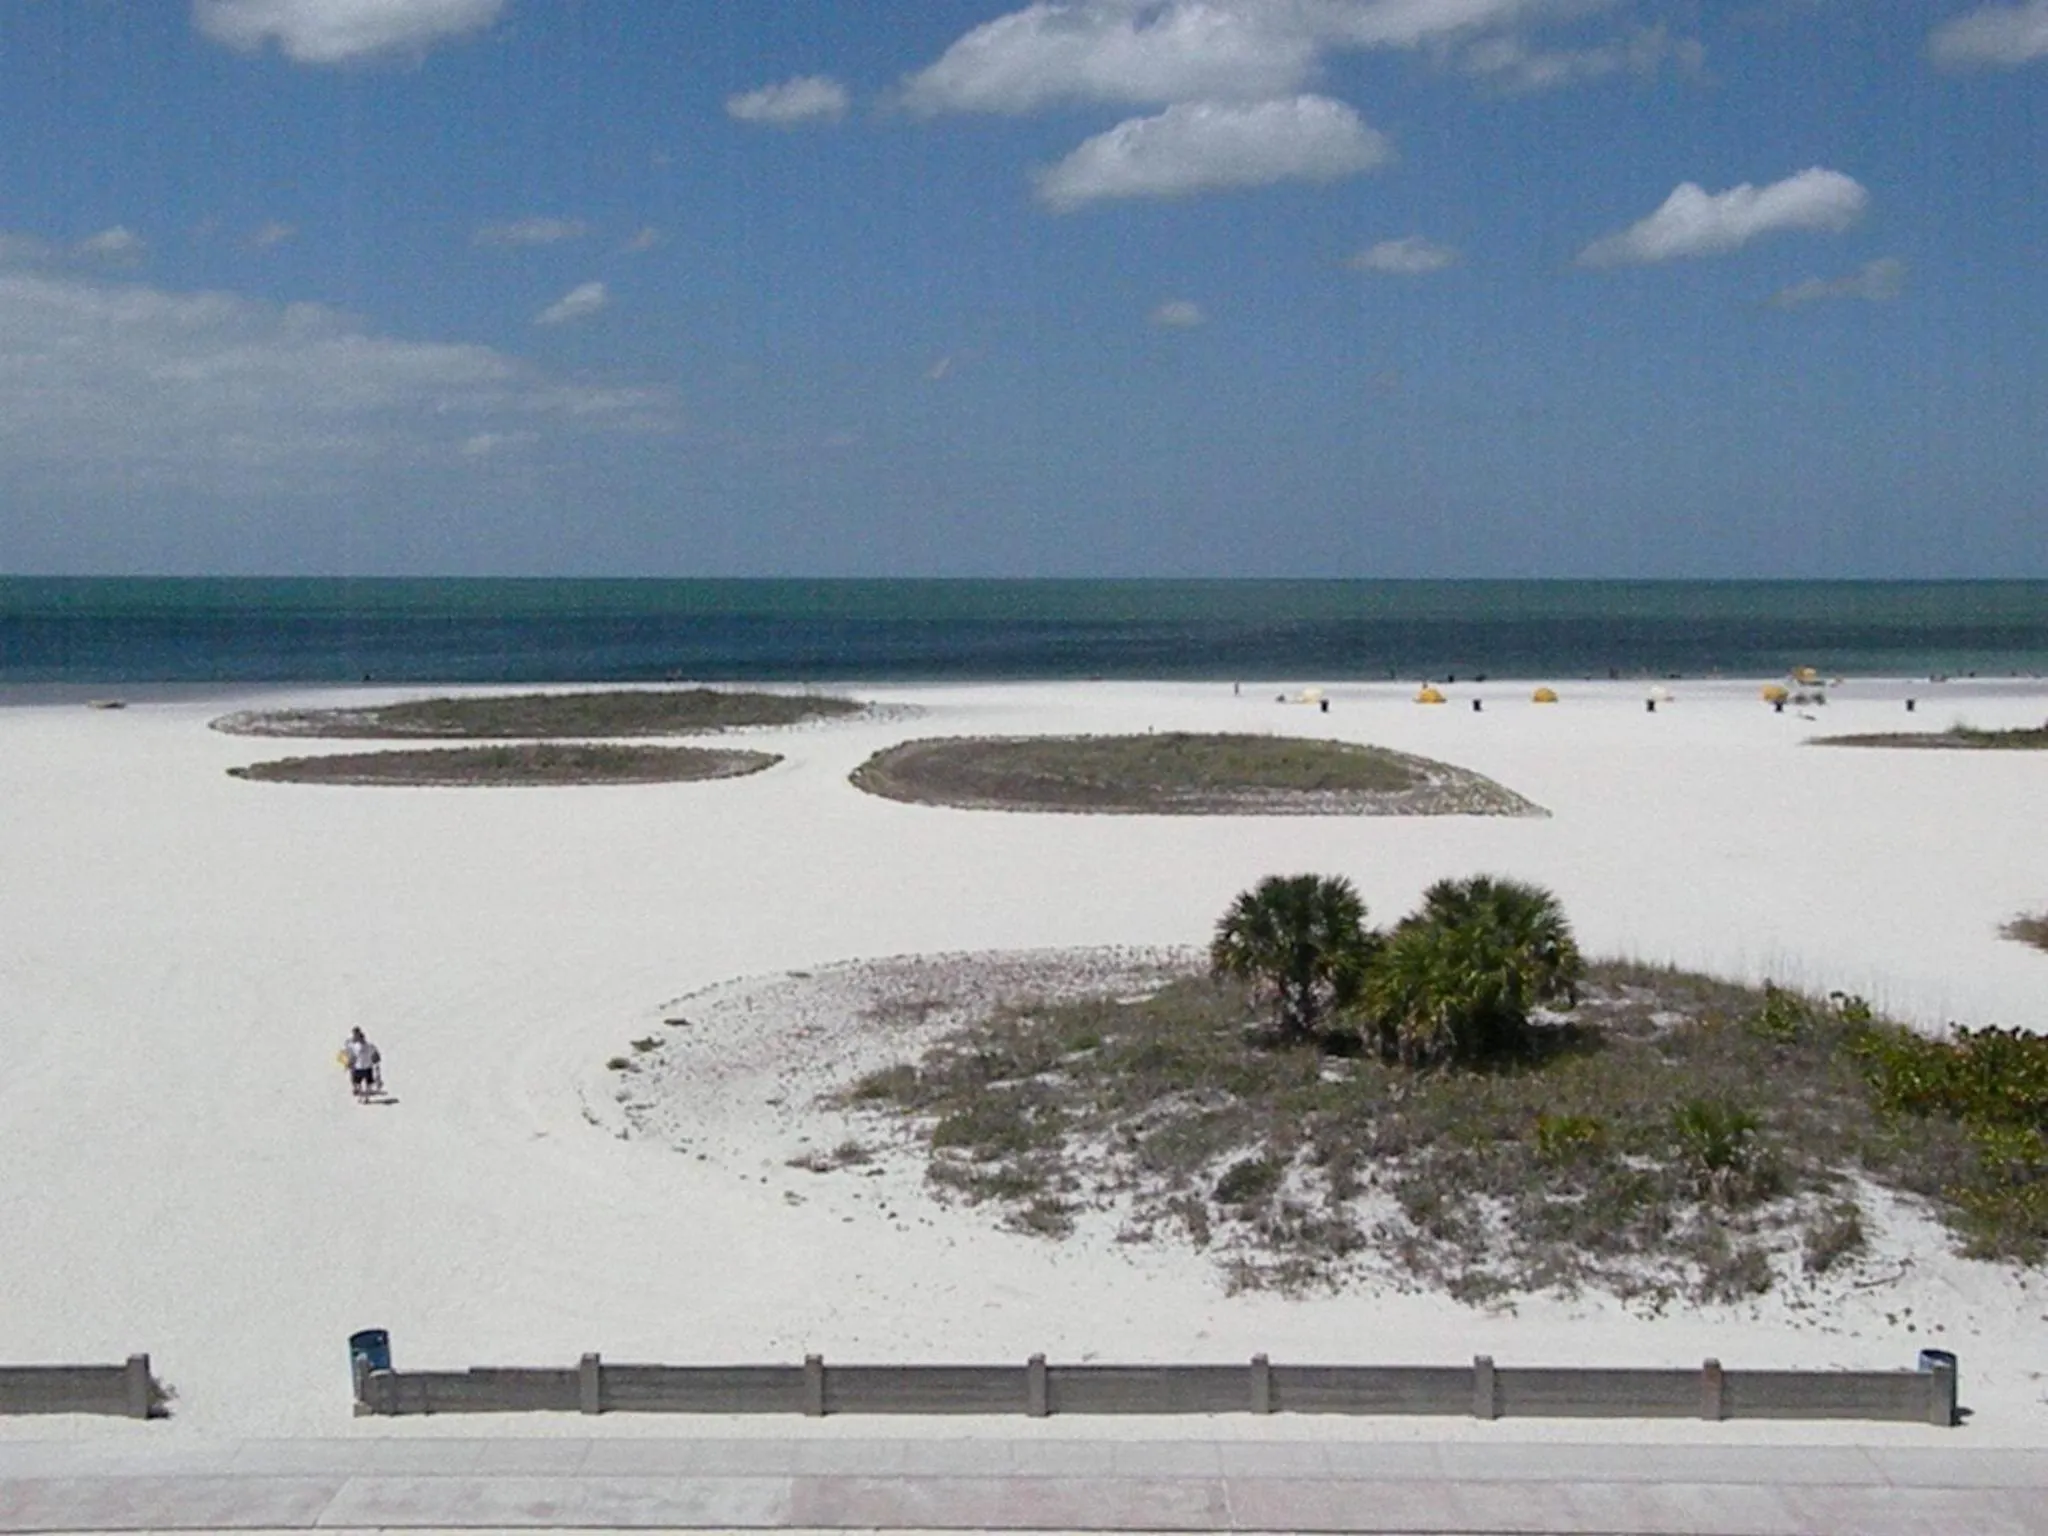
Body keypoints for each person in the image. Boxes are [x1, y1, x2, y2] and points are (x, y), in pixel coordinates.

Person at [341, 1027, 382, 1102]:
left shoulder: (369, 1046)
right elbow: (349, 1053)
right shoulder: (352, 1044)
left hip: (366, 1066)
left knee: (367, 1083)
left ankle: (365, 1097)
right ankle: (360, 1093)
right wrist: (348, 1062)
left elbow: (376, 1056)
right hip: (358, 1067)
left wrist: (377, 1070)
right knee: (357, 1082)